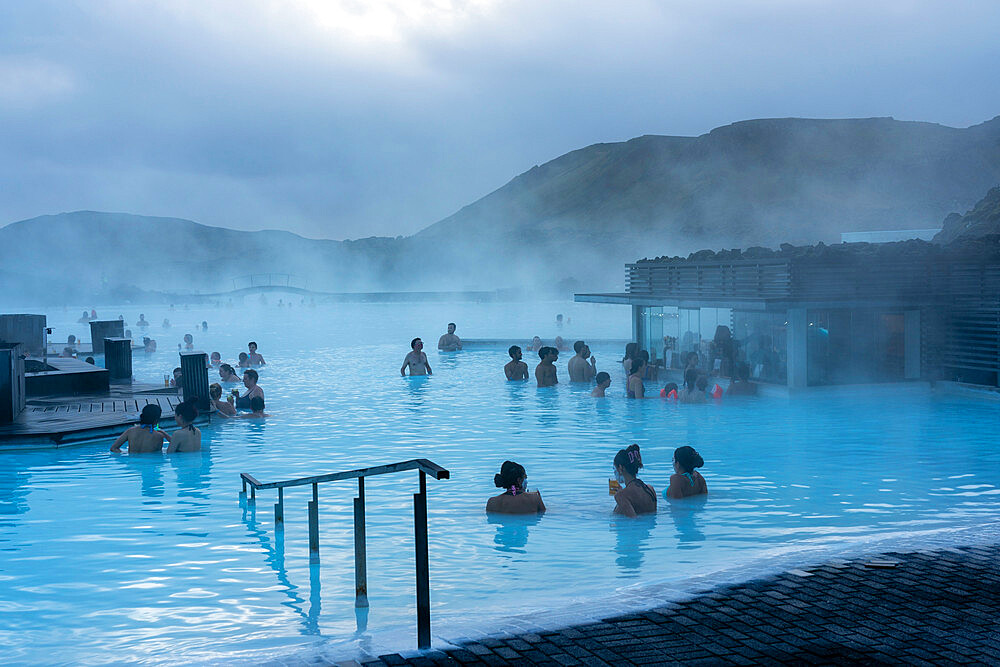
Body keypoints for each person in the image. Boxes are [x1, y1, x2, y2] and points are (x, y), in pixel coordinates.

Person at [611, 444, 656, 517]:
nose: (614, 472)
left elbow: (633, 522)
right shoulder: (650, 489)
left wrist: (621, 495)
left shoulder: (621, 496)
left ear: (620, 468)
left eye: (614, 468)